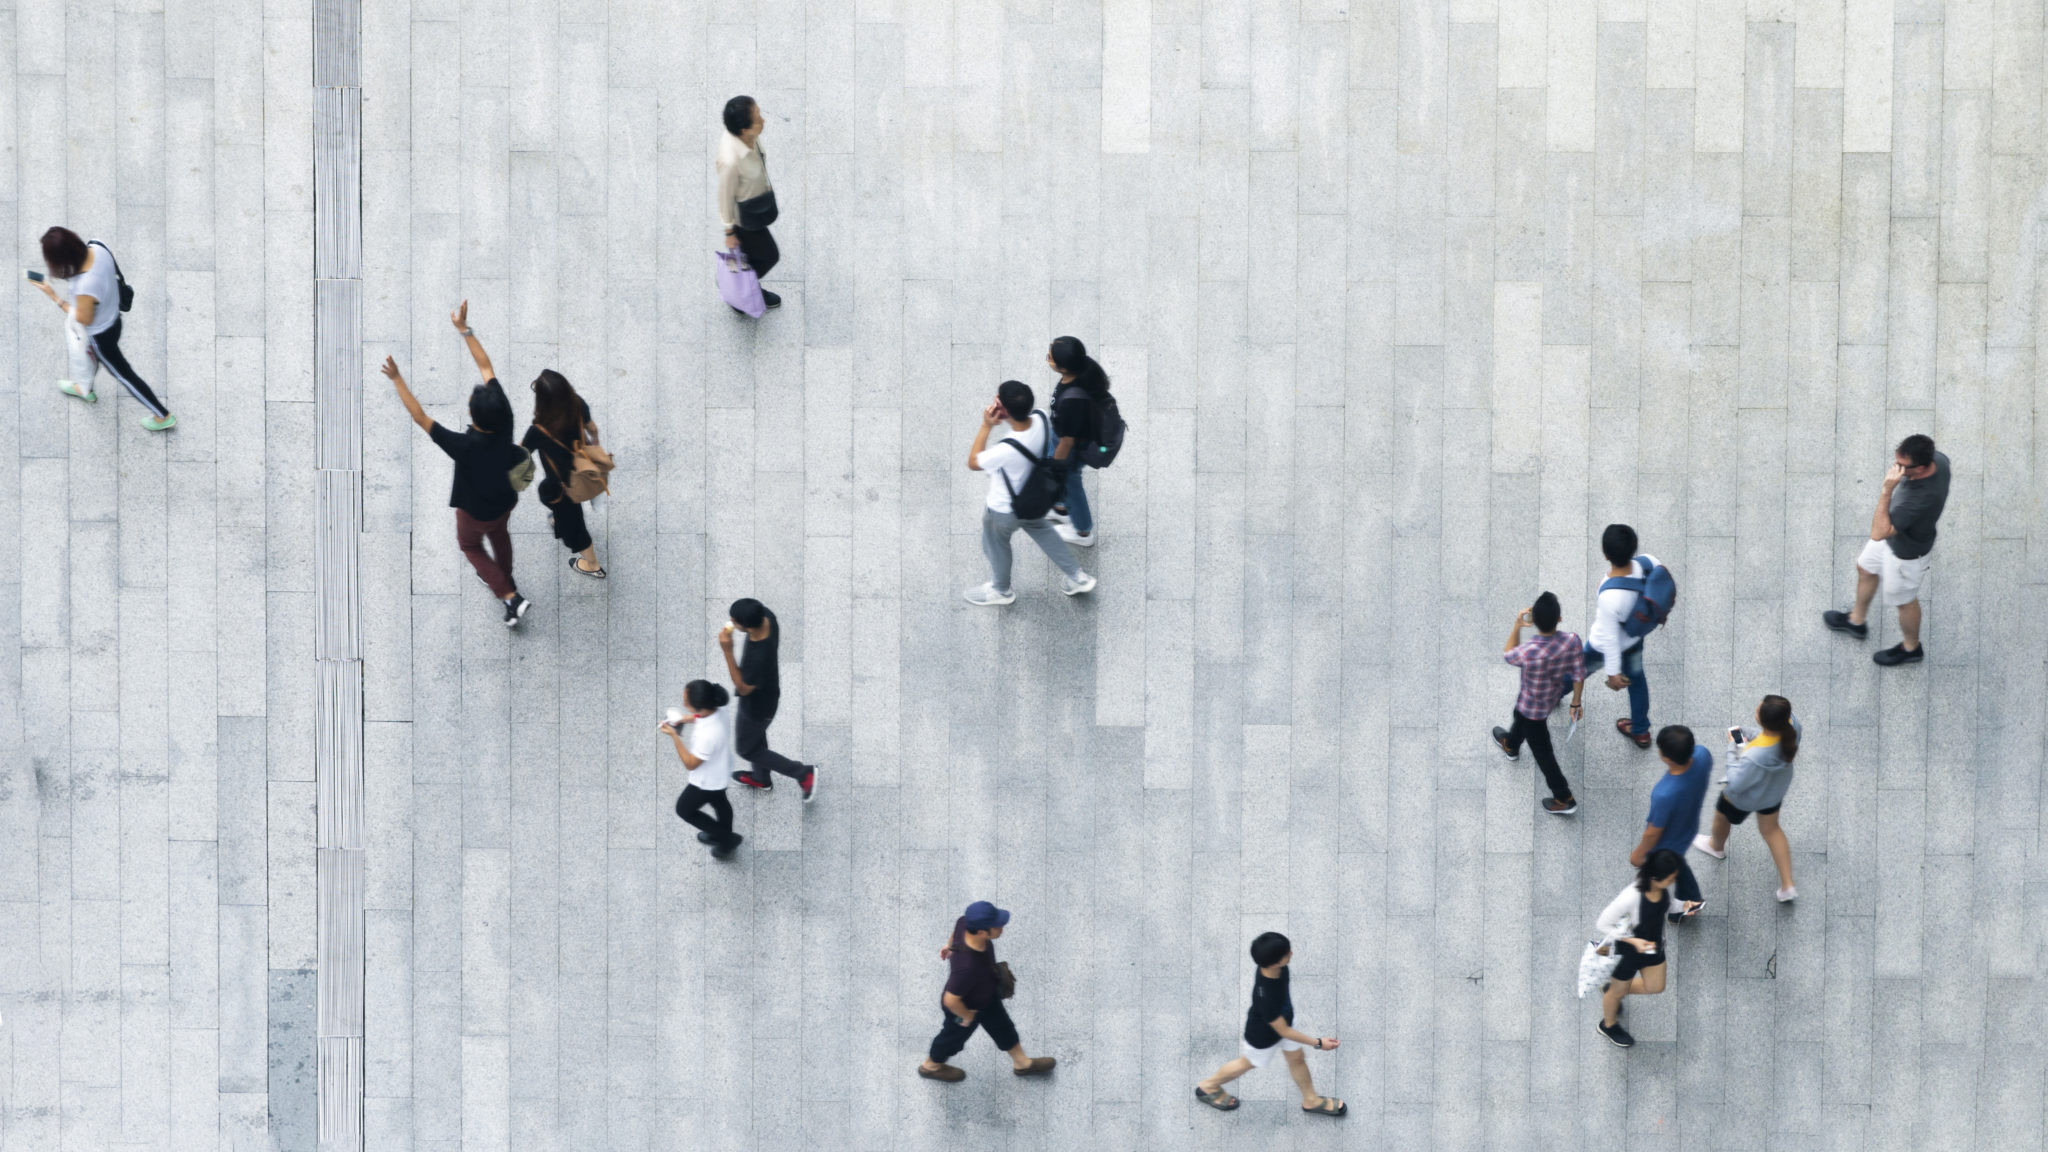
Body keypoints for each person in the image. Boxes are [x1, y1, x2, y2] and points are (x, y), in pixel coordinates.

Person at [381, 303, 530, 626]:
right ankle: (507, 581)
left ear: (473, 415)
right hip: (505, 502)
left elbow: (420, 417)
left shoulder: (463, 445)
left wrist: (397, 379)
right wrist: (464, 329)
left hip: (474, 512)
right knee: (500, 535)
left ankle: (509, 595)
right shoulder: (505, 415)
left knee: (470, 546)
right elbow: (486, 367)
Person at [961, 381, 1096, 606]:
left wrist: (986, 426)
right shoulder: (1042, 417)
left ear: (1003, 411)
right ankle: (1077, 576)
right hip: (1034, 495)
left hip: (1003, 509)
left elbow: (973, 462)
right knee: (1042, 530)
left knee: (996, 544)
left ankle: (1001, 590)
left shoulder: (1005, 449)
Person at [1824, 434, 1951, 666]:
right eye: (1896, 462)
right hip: (1894, 537)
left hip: (1906, 554)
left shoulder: (1917, 500)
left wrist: (1887, 490)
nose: (1896, 469)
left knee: (1905, 601)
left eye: (1903, 466)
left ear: (1921, 468)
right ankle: (1856, 621)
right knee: (1865, 568)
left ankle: (1911, 648)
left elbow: (1879, 532)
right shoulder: (1939, 460)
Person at [32, 226, 175, 429]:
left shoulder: (84, 287)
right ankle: (84, 388)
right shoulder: (97, 246)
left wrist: (53, 296)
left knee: (123, 374)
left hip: (101, 335)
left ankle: (163, 415)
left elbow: (83, 319)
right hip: (114, 317)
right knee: (91, 359)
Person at [1193, 932, 1346, 1117]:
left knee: (1296, 1059)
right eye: (1287, 953)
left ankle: (1311, 1100)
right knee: (1246, 1063)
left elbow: (1284, 1029)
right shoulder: (1266, 996)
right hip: (1263, 1037)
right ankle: (1208, 1086)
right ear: (1275, 962)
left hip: (1285, 1023)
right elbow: (1283, 1031)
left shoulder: (1277, 968)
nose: (1292, 953)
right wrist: (1318, 1042)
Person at [917, 902, 1056, 1082]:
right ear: (982, 932)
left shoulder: (964, 922)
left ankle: (1022, 1064)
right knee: (951, 1038)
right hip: (965, 1008)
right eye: (997, 926)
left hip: (987, 997)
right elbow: (950, 1000)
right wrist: (967, 1016)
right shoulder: (967, 967)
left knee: (1004, 1028)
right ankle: (930, 1067)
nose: (1002, 929)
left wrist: (948, 946)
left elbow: (955, 933)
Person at [1693, 695, 1801, 902]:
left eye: (1758, 709)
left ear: (1762, 719)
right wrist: (1743, 735)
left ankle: (1716, 846)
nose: (1756, 709)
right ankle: (1787, 885)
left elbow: (1736, 781)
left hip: (1744, 798)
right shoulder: (1792, 726)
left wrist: (1733, 746)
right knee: (1771, 830)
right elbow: (1764, 739)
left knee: (1721, 817)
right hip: (1774, 790)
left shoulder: (1754, 757)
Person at [1492, 592, 1586, 815]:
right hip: (1550, 698)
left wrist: (1517, 625)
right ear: (1559, 619)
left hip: (1531, 707)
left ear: (1533, 621)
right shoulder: (1572, 641)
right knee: (1519, 719)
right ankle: (1511, 744)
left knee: (1543, 752)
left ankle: (1564, 797)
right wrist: (1575, 702)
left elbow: (1508, 654)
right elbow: (1578, 673)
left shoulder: (1530, 650)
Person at [720, 598, 818, 801]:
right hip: (768, 695)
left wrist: (727, 650)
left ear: (747, 626)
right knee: (754, 739)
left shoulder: (759, 657)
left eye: (735, 620)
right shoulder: (767, 617)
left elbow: (743, 688)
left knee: (746, 749)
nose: (731, 621)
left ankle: (803, 773)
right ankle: (761, 778)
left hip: (756, 707)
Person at [1592, 849, 1682, 1048]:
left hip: (1652, 947)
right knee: (1617, 992)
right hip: (1628, 952)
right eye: (1670, 878)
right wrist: (1633, 942)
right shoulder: (1631, 896)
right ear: (1655, 877)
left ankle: (1612, 988)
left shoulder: (1661, 888)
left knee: (1656, 986)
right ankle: (1608, 1025)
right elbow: (1603, 923)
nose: (1673, 882)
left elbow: (1666, 905)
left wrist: (1683, 906)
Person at [521, 369, 606, 578]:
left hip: (564, 485)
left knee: (574, 526)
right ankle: (560, 520)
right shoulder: (577, 402)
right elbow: (593, 429)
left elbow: (519, 454)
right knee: (547, 495)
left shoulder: (540, 430)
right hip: (584, 469)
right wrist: (595, 450)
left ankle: (593, 565)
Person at [1584, 524, 1660, 748]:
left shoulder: (1610, 597)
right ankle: (1641, 731)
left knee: (1576, 670)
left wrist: (1613, 672)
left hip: (1605, 646)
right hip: (1635, 639)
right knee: (1637, 681)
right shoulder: (1649, 562)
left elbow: (1608, 639)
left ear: (1605, 554)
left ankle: (1552, 693)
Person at [1629, 726, 1711, 923]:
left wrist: (1639, 854)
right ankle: (1689, 899)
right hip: (1689, 825)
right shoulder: (1703, 754)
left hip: (1667, 843)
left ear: (1667, 759)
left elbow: (1653, 832)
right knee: (1680, 865)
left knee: (1675, 867)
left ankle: (1687, 903)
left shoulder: (1664, 793)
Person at [663, 680, 743, 859]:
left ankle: (726, 839)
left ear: (699, 707)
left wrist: (674, 736)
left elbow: (690, 763)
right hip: (721, 769)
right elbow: (701, 716)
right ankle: (724, 841)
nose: (684, 704)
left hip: (707, 780)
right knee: (720, 802)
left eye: (686, 702)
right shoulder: (718, 709)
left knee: (684, 809)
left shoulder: (708, 736)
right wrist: (684, 719)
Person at [1044, 336, 1109, 548]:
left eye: (1051, 357)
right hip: (1066, 436)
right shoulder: (1083, 367)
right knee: (1066, 482)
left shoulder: (1072, 400)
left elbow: (1067, 441)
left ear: (1063, 368)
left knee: (1070, 482)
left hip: (1071, 447)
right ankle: (1060, 508)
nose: (1048, 357)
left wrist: (1056, 468)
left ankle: (1082, 531)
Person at [718, 95, 781, 310]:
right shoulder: (731, 160)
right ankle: (740, 292)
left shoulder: (749, 137)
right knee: (769, 256)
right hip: (744, 216)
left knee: (751, 256)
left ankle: (739, 284)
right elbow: (725, 196)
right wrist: (730, 232)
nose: (763, 121)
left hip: (756, 203)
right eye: (757, 119)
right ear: (744, 130)